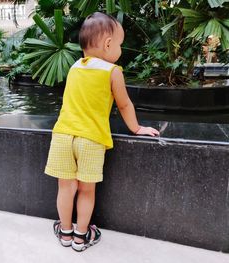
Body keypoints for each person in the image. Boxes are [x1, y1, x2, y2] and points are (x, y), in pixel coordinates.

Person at [44, 12, 160, 252]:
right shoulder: (112, 71)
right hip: (90, 139)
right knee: (86, 191)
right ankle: (80, 237)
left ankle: (64, 233)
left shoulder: (75, 67)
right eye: (119, 43)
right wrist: (137, 128)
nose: (120, 48)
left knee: (66, 188)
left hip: (63, 135)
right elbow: (124, 104)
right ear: (108, 44)